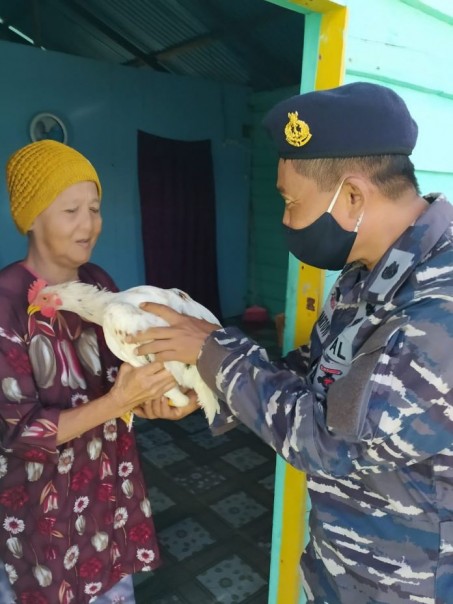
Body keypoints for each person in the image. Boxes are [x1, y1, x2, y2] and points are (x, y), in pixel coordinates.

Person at [128, 82, 453, 603]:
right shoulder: (367, 272)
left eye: (290, 202)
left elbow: (330, 438)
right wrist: (205, 387)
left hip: (409, 586)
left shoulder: (439, 305)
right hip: (342, 567)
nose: (285, 220)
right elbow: (313, 373)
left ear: (352, 197)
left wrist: (211, 350)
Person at [0, 140, 197, 604]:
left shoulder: (100, 283)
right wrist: (117, 403)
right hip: (40, 516)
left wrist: (157, 403)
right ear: (31, 217)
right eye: (71, 209)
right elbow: (20, 433)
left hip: (108, 498)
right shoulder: (7, 302)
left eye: (95, 207)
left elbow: (123, 382)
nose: (89, 224)